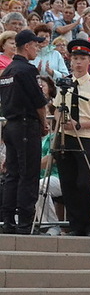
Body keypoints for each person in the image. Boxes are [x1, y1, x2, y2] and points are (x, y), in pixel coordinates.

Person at [54, 39, 90, 235]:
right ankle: (75, 225)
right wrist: (61, 123)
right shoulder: (64, 83)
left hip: (85, 137)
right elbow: (58, 108)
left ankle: (89, 224)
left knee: (84, 183)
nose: (78, 62)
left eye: (82, 58)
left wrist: (80, 125)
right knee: (67, 182)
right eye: (75, 58)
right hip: (64, 136)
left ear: (89, 61)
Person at [0, 29, 48, 234]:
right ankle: (25, 223)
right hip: (26, 125)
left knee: (13, 174)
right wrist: (44, 123)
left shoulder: (7, 71)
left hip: (10, 125)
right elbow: (39, 101)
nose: (37, 49)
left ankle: (9, 220)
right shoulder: (27, 70)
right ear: (27, 46)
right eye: (35, 45)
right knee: (28, 174)